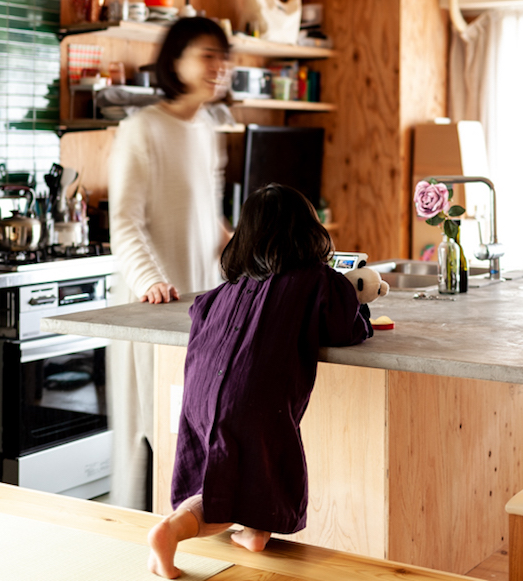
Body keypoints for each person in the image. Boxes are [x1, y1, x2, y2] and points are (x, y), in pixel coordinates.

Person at [147, 184, 374, 579]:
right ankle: (174, 530)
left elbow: (198, 316)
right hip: (253, 402)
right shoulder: (317, 279)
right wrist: (364, 312)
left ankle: (251, 533)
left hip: (199, 397)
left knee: (234, 473)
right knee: (254, 475)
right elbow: (343, 328)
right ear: (309, 231)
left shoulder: (222, 291)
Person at [107, 17, 234, 510]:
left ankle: (186, 535)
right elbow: (124, 223)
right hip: (154, 306)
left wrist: (255, 253)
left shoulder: (207, 128)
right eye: (206, 55)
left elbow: (211, 219)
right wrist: (150, 280)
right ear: (175, 61)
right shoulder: (140, 129)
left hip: (201, 309)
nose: (218, 67)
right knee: (150, 431)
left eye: (222, 57)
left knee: (195, 429)